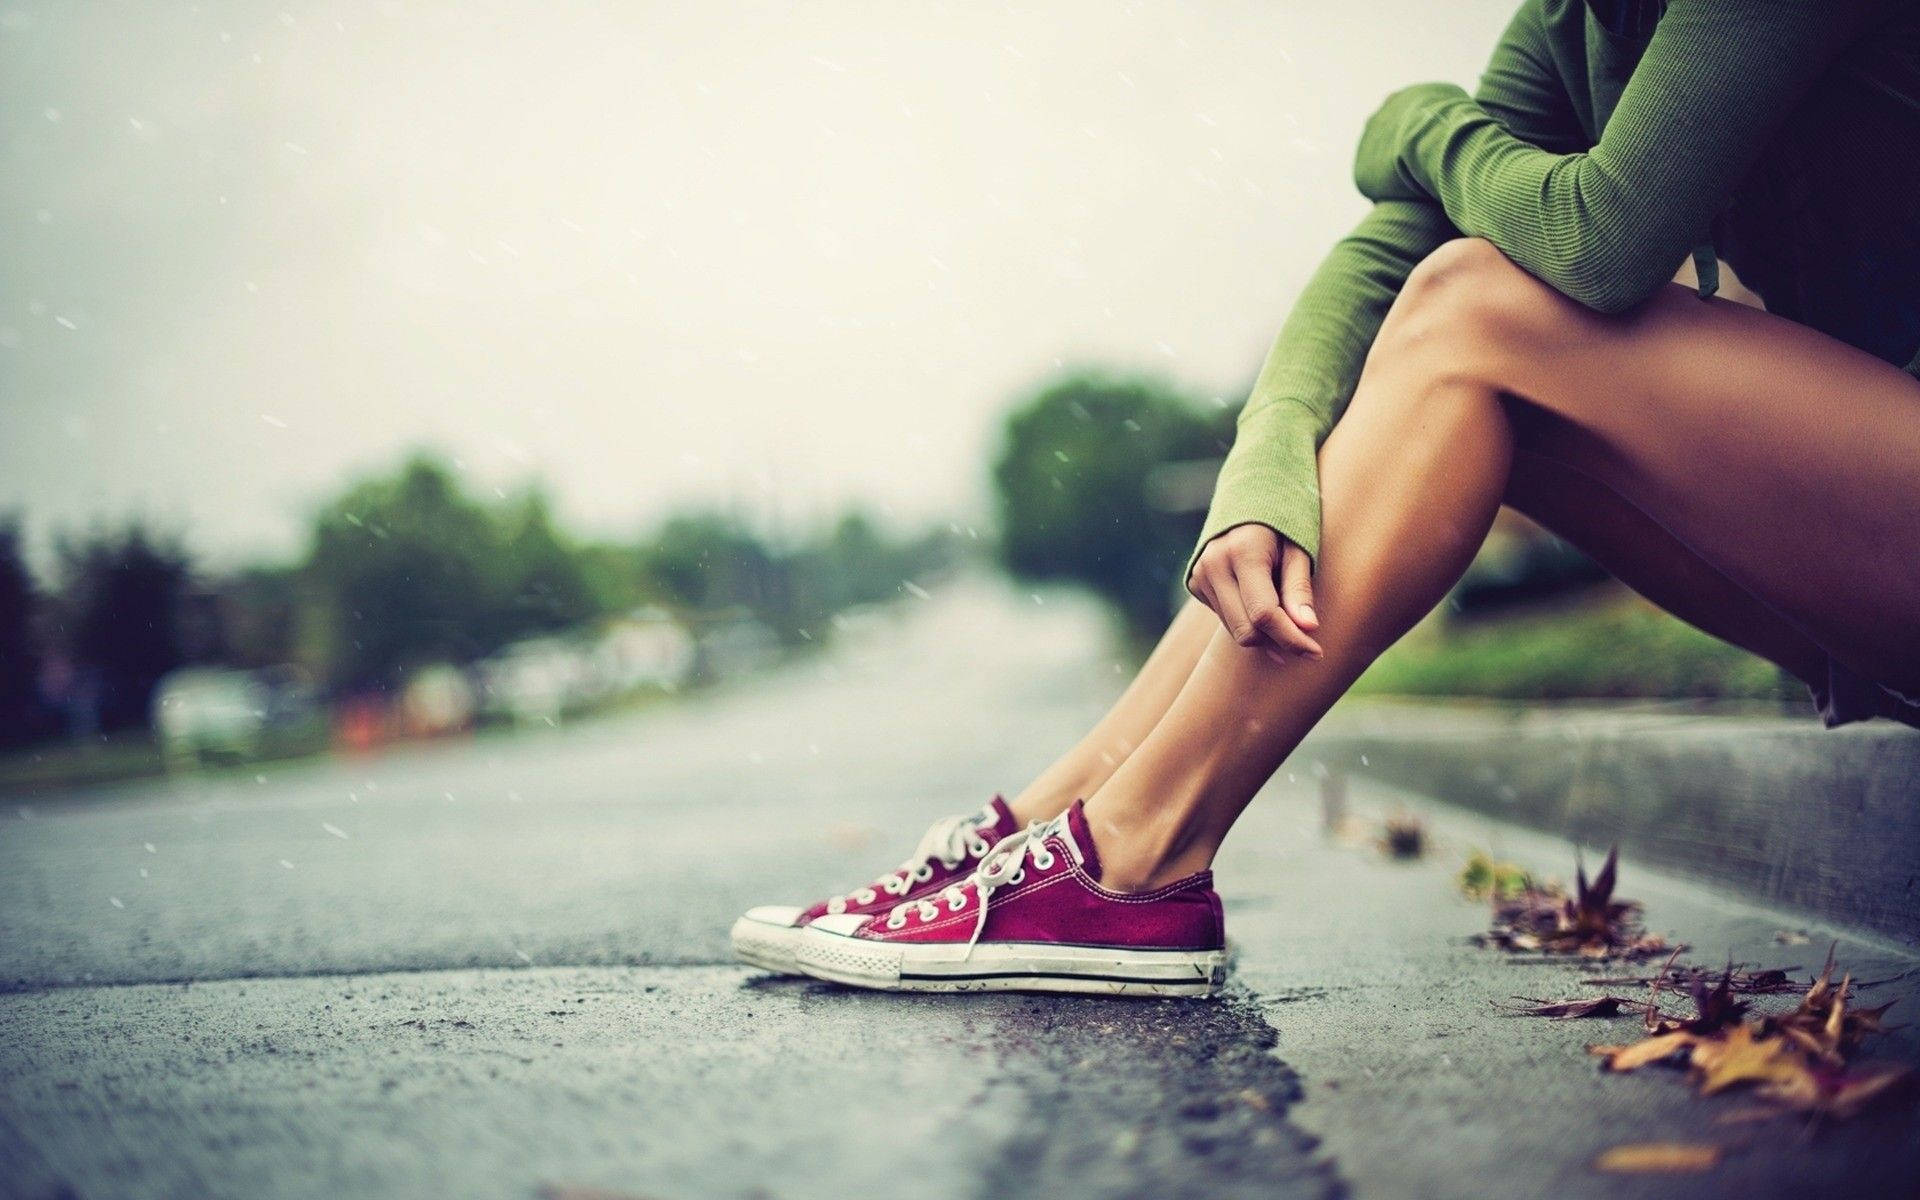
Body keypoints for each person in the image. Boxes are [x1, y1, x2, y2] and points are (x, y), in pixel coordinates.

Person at [733, 0, 1920, 996]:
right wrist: (1259, 478)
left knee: (1479, 304)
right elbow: (1380, 265)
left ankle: (1131, 862)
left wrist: (1418, 123)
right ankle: (1076, 818)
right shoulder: (1579, 17)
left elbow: (1600, 237)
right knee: (1437, 354)